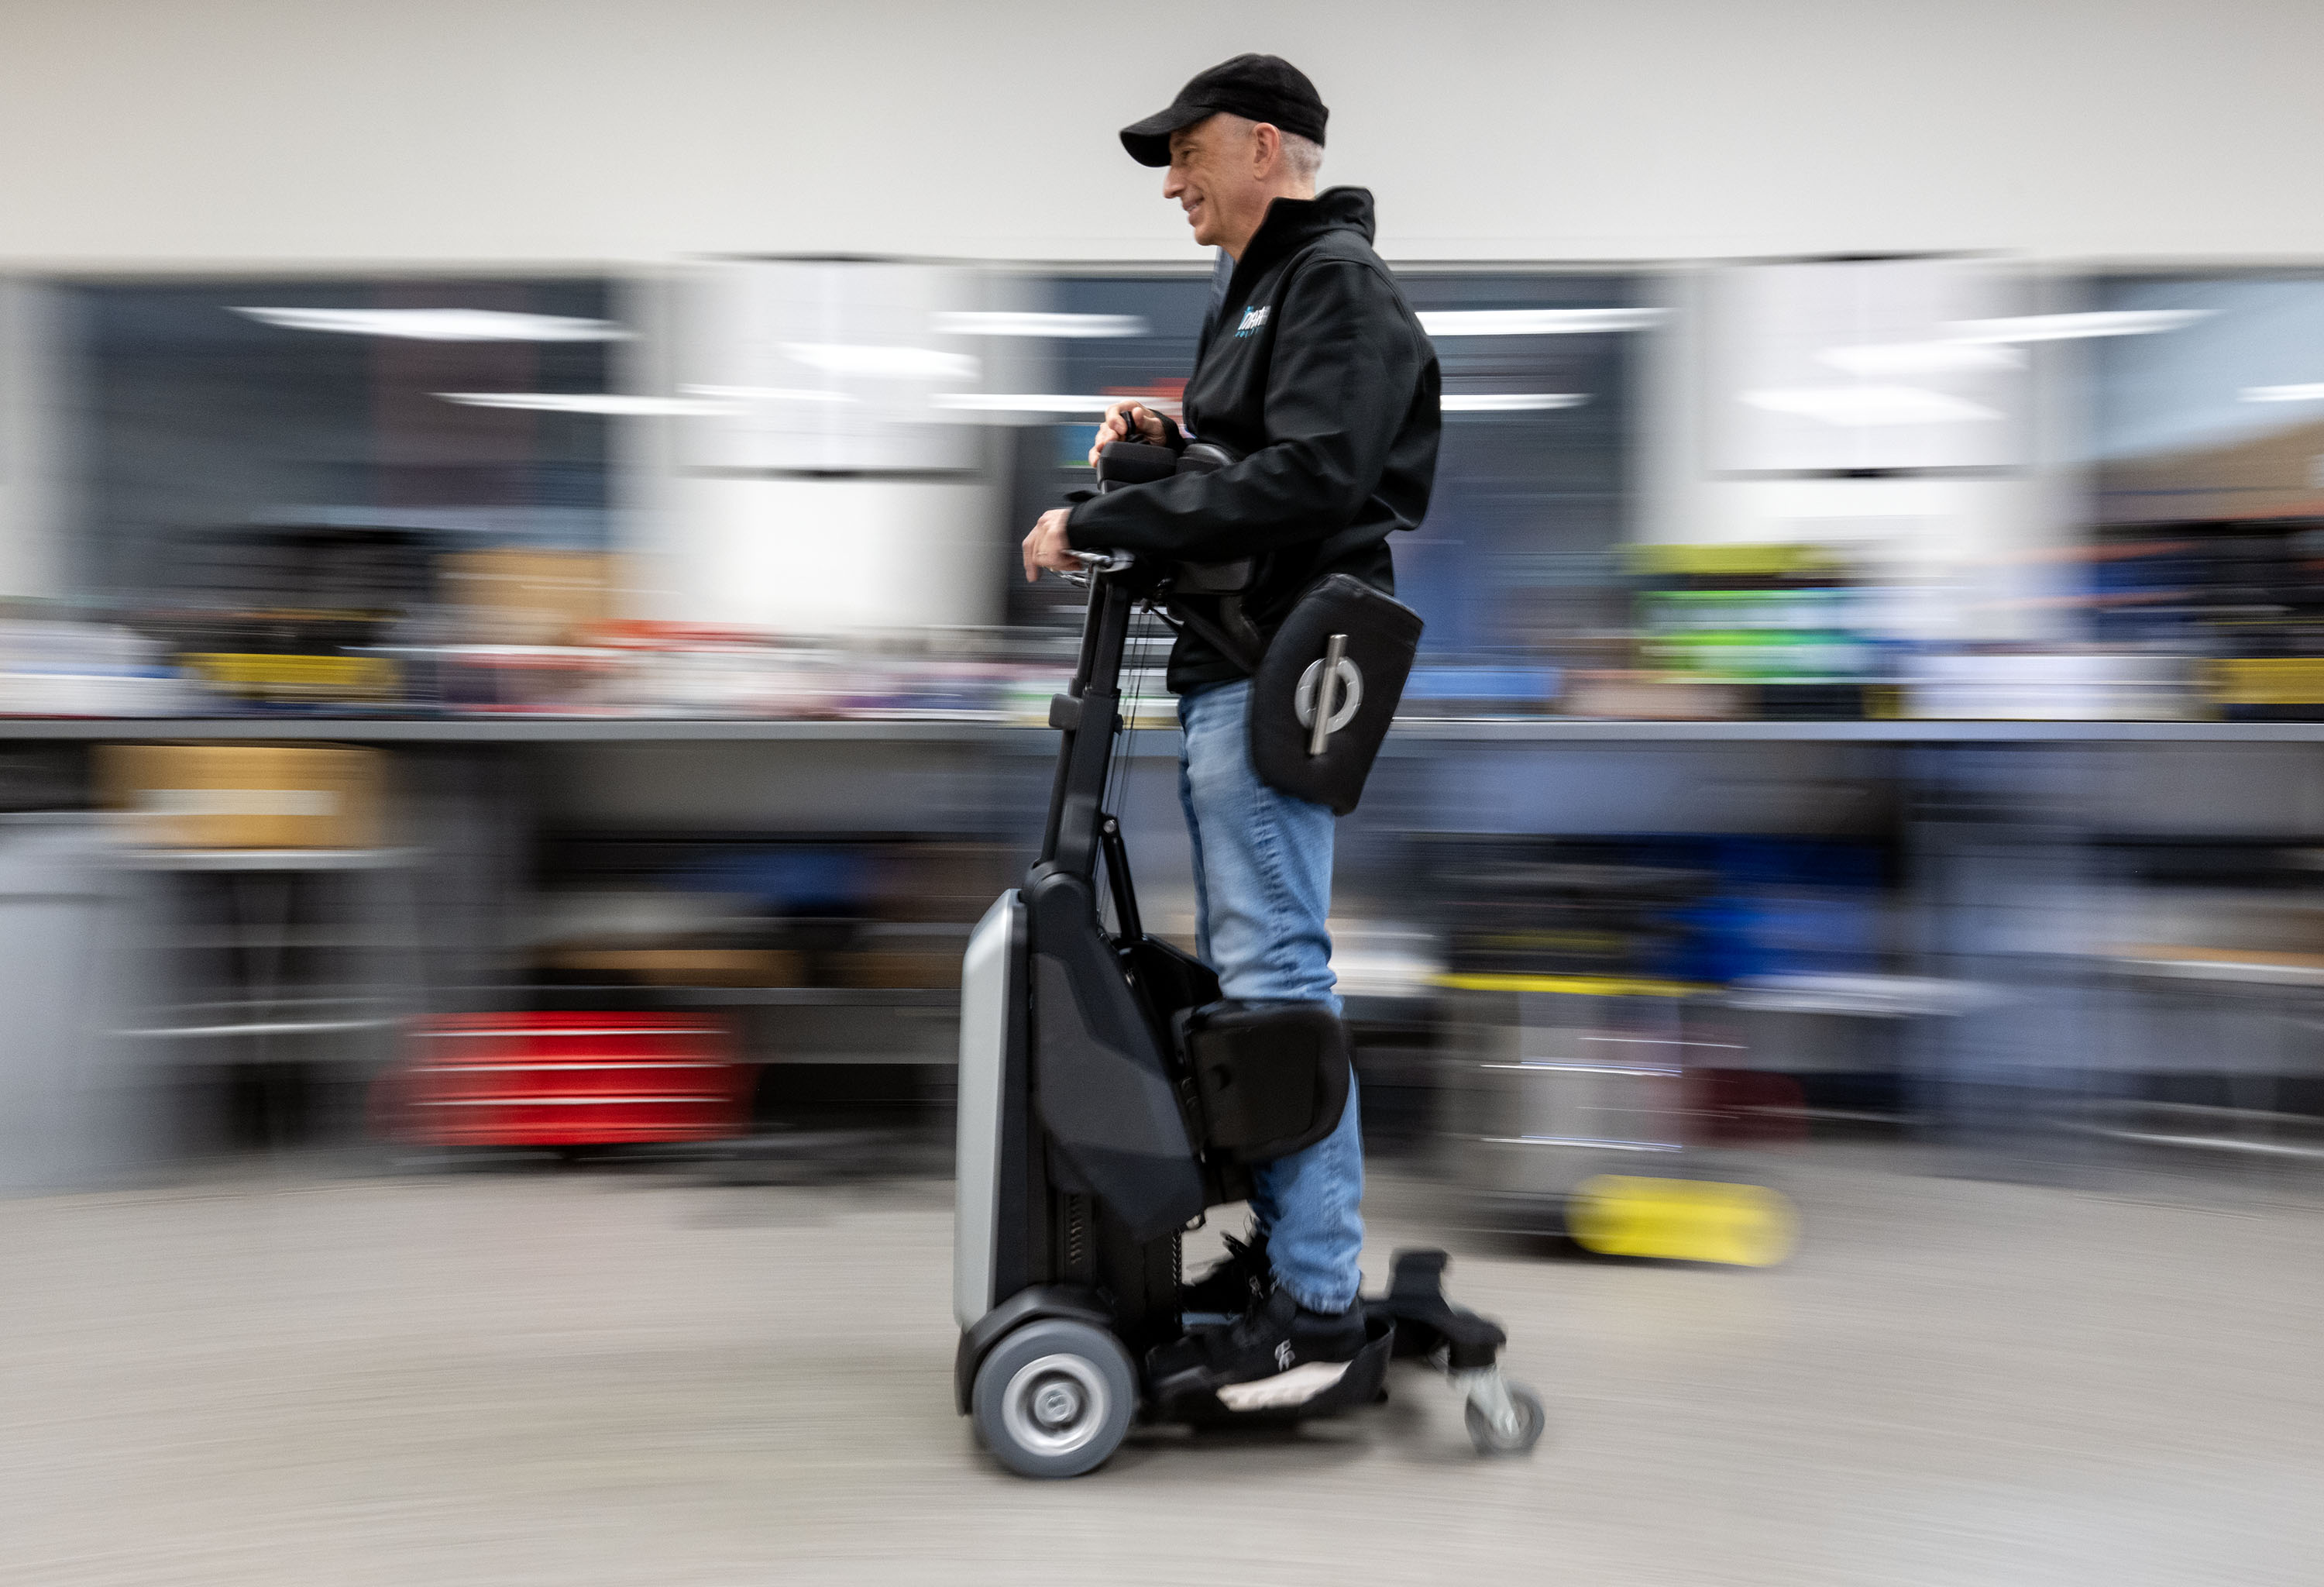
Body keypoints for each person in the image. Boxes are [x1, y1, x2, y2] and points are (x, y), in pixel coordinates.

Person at [1020, 53, 1441, 1394]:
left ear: (1264, 146)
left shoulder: (1335, 285)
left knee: (1276, 988)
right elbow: (1250, 459)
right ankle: (1290, 1259)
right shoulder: (1258, 295)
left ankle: (1315, 1314)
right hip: (1229, 674)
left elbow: (1309, 482)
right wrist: (1170, 429)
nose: (1173, 180)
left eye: (1186, 152)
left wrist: (1103, 518)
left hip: (1274, 676)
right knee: (1259, 980)